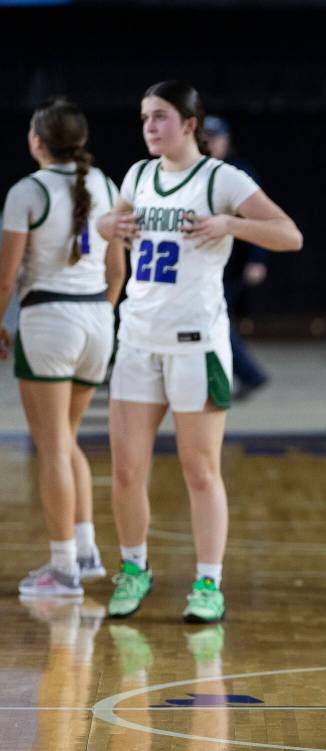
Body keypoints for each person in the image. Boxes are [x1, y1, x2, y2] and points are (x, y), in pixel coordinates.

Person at [96, 80, 302, 623]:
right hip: (137, 340)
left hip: (196, 345)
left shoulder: (220, 178)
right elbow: (107, 226)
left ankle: (208, 581)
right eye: (144, 117)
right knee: (124, 470)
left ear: (190, 124)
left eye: (160, 116)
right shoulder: (138, 175)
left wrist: (230, 224)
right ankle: (134, 568)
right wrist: (105, 225)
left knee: (200, 471)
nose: (149, 127)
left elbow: (289, 235)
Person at [0, 98, 125, 598]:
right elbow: (118, 270)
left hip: (50, 319)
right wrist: (104, 315)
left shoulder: (26, 191)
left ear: (37, 141)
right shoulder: (108, 185)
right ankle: (86, 550)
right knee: (67, 438)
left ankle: (63, 568)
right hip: (98, 316)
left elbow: (6, 275)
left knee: (51, 445)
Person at [205, 115, 270, 401]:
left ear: (226, 141)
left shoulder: (237, 173)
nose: (209, 144)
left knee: (215, 318)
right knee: (214, 319)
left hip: (232, 263)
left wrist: (258, 258)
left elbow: (265, 221)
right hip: (206, 263)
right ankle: (247, 375)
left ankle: (249, 375)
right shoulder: (196, 172)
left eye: (214, 138)